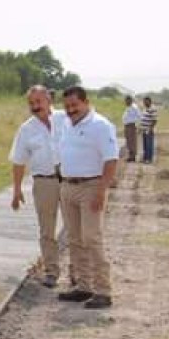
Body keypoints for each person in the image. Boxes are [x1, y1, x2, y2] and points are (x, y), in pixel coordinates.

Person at [57, 87, 119, 309]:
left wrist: (102, 190)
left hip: (91, 186)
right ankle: (83, 286)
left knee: (91, 238)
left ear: (86, 102)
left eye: (75, 105)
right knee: (74, 239)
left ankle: (103, 290)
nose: (71, 110)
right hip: (68, 186)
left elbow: (111, 160)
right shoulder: (66, 124)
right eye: (67, 107)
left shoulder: (100, 126)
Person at [9, 85, 68, 289]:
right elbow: (18, 161)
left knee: (76, 228)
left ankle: (79, 274)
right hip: (44, 182)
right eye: (31, 103)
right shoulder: (26, 129)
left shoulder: (66, 119)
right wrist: (17, 190)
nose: (35, 106)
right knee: (47, 230)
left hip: (70, 180)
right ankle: (52, 272)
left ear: (49, 100)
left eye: (38, 102)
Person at [122, 95, 141, 163]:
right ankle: (130, 156)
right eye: (125, 100)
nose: (125, 102)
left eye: (127, 100)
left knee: (132, 142)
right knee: (128, 142)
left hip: (131, 126)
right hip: (127, 126)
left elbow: (139, 116)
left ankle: (133, 157)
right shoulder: (128, 107)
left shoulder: (134, 107)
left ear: (130, 100)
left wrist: (134, 123)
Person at [140, 97, 159, 164]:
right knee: (145, 145)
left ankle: (149, 159)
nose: (144, 103)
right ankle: (145, 158)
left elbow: (154, 120)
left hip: (149, 129)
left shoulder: (152, 109)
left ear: (149, 101)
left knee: (149, 145)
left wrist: (150, 129)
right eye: (144, 102)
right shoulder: (145, 108)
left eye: (146, 102)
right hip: (144, 129)